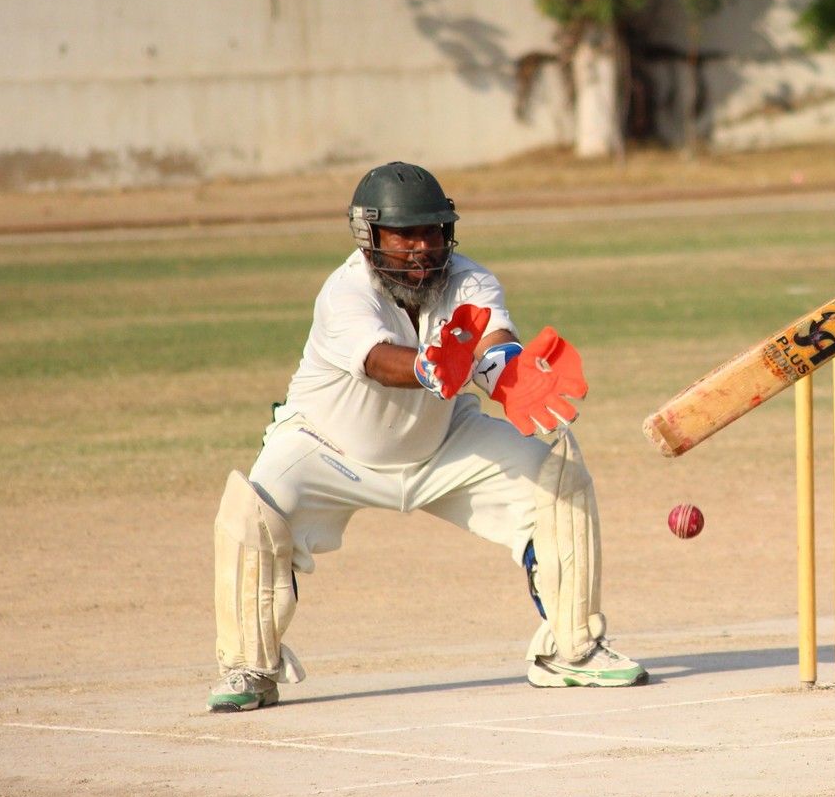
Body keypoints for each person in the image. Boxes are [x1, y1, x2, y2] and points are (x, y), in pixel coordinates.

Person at [207, 161, 645, 712]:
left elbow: (492, 339)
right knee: (253, 511)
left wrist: (509, 373)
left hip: (442, 444)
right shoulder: (344, 293)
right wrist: (427, 367)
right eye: (405, 235)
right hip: (328, 449)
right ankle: (249, 667)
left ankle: (573, 649)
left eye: (432, 232)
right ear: (370, 236)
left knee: (558, 481)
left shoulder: (470, 279)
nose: (422, 248)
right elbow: (376, 361)